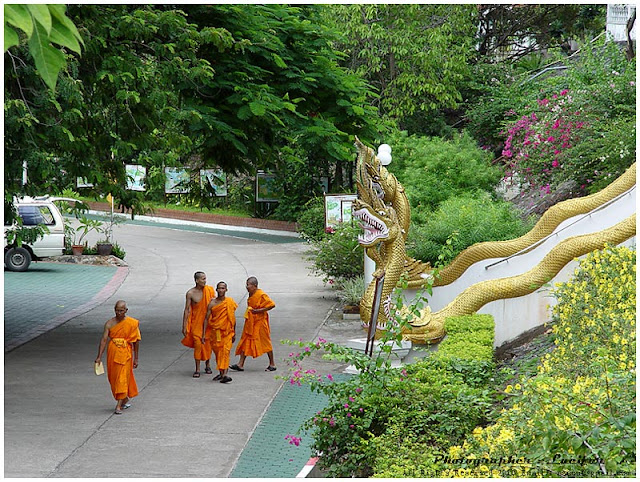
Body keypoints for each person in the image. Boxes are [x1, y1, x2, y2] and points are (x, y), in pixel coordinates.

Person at [95, 300, 141, 415]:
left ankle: (119, 405)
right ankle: (124, 399)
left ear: (126, 310)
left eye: (121, 310)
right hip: (113, 353)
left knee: (122, 378)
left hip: (126, 354)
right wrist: (99, 356)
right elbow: (104, 340)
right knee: (114, 378)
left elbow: (136, 341)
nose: (119, 313)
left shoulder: (132, 323)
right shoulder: (109, 323)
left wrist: (136, 358)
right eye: (117, 310)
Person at [230, 276, 276, 372]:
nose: (247, 287)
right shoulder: (251, 293)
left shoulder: (261, 294)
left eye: (249, 285)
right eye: (246, 284)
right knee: (245, 341)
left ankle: (272, 364)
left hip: (260, 322)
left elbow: (272, 305)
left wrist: (258, 311)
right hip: (251, 322)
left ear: (255, 286)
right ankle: (240, 364)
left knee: (265, 341)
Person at [203, 281, 238, 383]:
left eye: (223, 288)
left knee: (225, 352)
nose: (221, 290)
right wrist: (204, 334)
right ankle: (222, 373)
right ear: (216, 289)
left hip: (227, 332)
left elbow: (232, 318)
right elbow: (206, 319)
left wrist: (234, 332)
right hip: (216, 332)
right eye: (219, 288)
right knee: (218, 354)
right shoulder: (212, 303)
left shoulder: (229, 302)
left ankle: (225, 375)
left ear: (226, 290)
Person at [181, 271, 215, 377]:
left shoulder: (209, 290)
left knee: (207, 344)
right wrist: (184, 325)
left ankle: (208, 364)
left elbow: (214, 304)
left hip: (208, 322)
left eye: (205, 278)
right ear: (196, 280)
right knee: (198, 345)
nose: (205, 281)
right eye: (203, 279)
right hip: (196, 323)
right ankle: (197, 368)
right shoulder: (190, 293)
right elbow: (187, 310)